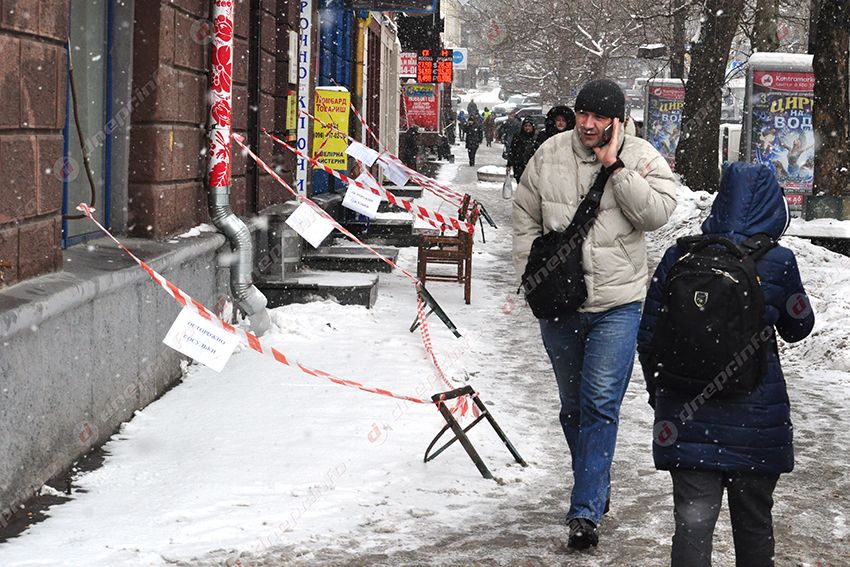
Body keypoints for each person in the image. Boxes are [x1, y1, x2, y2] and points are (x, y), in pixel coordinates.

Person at [512, 79, 678, 550]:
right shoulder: (548, 153)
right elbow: (524, 213)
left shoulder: (643, 156)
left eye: (597, 118)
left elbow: (658, 213)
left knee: (601, 403)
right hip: (559, 305)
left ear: (617, 121)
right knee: (573, 408)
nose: (586, 125)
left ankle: (584, 511)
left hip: (617, 304)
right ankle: (595, 482)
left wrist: (616, 168)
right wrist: (530, 273)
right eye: (582, 115)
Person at [638, 162, 815, 567]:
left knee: (693, 525)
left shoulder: (678, 257)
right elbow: (798, 326)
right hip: (757, 424)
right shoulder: (779, 261)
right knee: (753, 526)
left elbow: (649, 339)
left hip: (686, 417)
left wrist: (661, 394)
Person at [508, 118, 537, 183]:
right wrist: (509, 164)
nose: (527, 128)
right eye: (526, 126)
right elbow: (512, 150)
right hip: (519, 165)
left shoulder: (535, 138)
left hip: (531, 166)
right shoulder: (518, 137)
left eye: (529, 126)